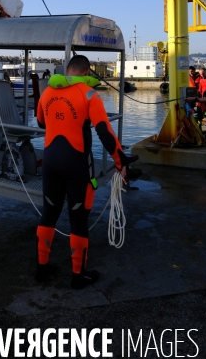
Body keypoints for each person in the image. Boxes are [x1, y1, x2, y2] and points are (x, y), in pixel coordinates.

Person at [35, 54, 130, 289]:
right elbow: (104, 132)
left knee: (49, 213)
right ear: (87, 72)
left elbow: (40, 122)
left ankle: (42, 267)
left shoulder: (47, 91)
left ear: (67, 70)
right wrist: (121, 162)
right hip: (77, 165)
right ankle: (78, 275)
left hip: (50, 162)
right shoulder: (90, 94)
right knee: (78, 218)